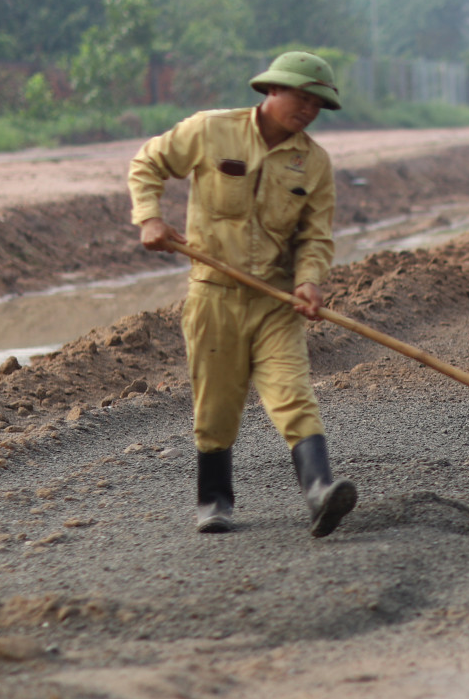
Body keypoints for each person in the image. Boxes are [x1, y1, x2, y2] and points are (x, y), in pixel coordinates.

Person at [129, 51, 359, 533]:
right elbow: (148, 163)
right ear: (272, 90)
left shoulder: (313, 162)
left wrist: (309, 281)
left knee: (293, 395)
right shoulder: (210, 130)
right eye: (302, 97)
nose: (309, 110)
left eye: (318, 103)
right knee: (216, 403)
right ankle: (214, 503)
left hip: (276, 302)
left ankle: (320, 492)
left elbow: (315, 236)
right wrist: (150, 218)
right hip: (214, 296)